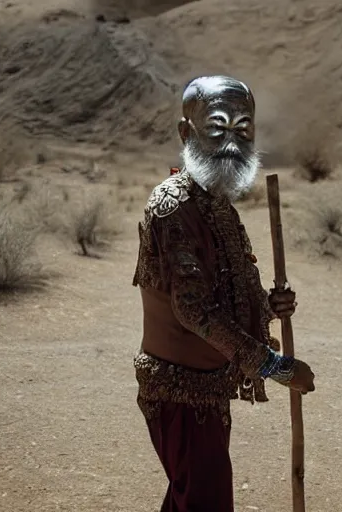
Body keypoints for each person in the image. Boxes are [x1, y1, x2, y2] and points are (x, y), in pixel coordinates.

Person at [132, 75, 316, 512]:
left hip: (207, 391)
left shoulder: (214, 202)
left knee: (191, 500)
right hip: (178, 392)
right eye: (217, 127)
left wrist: (267, 308)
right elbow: (194, 311)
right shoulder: (174, 206)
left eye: (243, 127)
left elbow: (221, 293)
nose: (231, 141)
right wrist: (275, 365)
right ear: (185, 132)